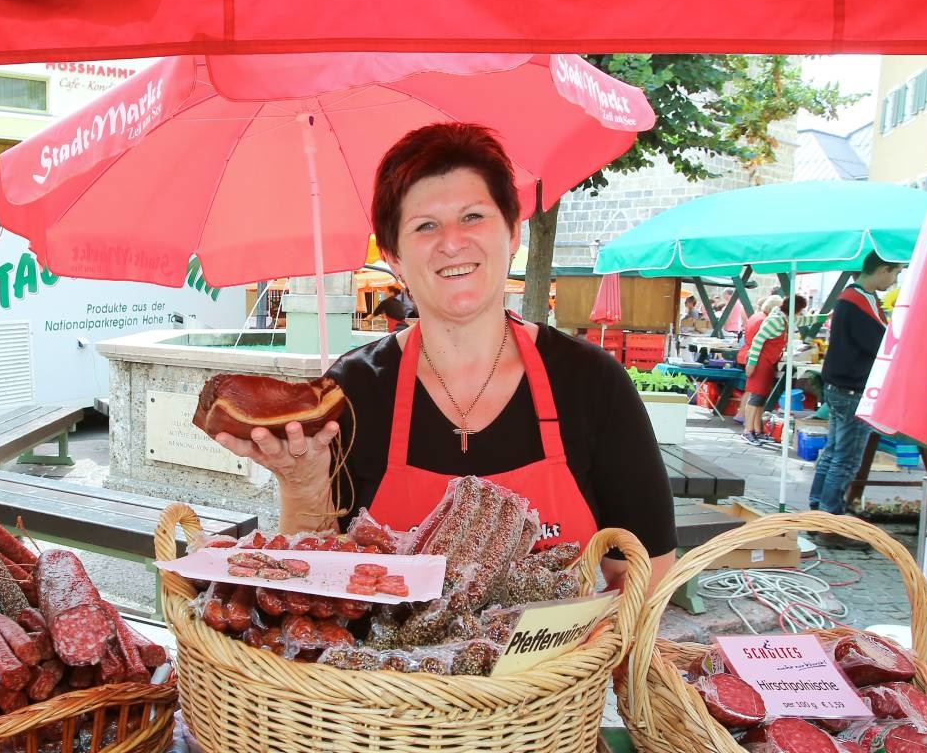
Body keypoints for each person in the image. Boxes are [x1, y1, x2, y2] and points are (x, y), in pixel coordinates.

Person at [211, 122, 677, 591]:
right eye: (425, 226)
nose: (452, 242)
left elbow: (645, 573)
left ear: (513, 232)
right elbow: (313, 586)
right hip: (380, 667)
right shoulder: (353, 390)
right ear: (394, 256)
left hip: (556, 664)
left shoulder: (590, 383)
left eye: (473, 216)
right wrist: (303, 485)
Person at [806, 252, 903, 529]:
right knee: (845, 459)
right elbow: (879, 345)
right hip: (853, 389)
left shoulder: (855, 298)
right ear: (883, 269)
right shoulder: (858, 301)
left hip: (841, 386)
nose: (895, 280)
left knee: (834, 452)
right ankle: (830, 517)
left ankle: (818, 506)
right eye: (895, 273)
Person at [740, 295, 824, 442]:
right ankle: (748, 430)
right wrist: (752, 363)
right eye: (800, 310)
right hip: (761, 361)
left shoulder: (784, 317)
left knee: (762, 397)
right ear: (795, 309)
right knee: (756, 396)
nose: (801, 313)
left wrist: (826, 317)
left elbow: (803, 320)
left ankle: (757, 429)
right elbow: (758, 341)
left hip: (769, 361)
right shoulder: (776, 321)